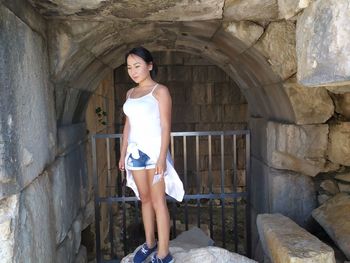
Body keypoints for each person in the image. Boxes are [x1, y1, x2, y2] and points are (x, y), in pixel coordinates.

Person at [118, 46, 184, 263]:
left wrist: (162, 158)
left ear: (149, 65)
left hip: (154, 153)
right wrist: (122, 154)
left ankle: (164, 254)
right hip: (135, 154)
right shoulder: (130, 93)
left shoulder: (160, 91)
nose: (133, 71)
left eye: (137, 66)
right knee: (144, 199)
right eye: (129, 67)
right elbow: (128, 126)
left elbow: (166, 126)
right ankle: (149, 243)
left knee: (158, 202)